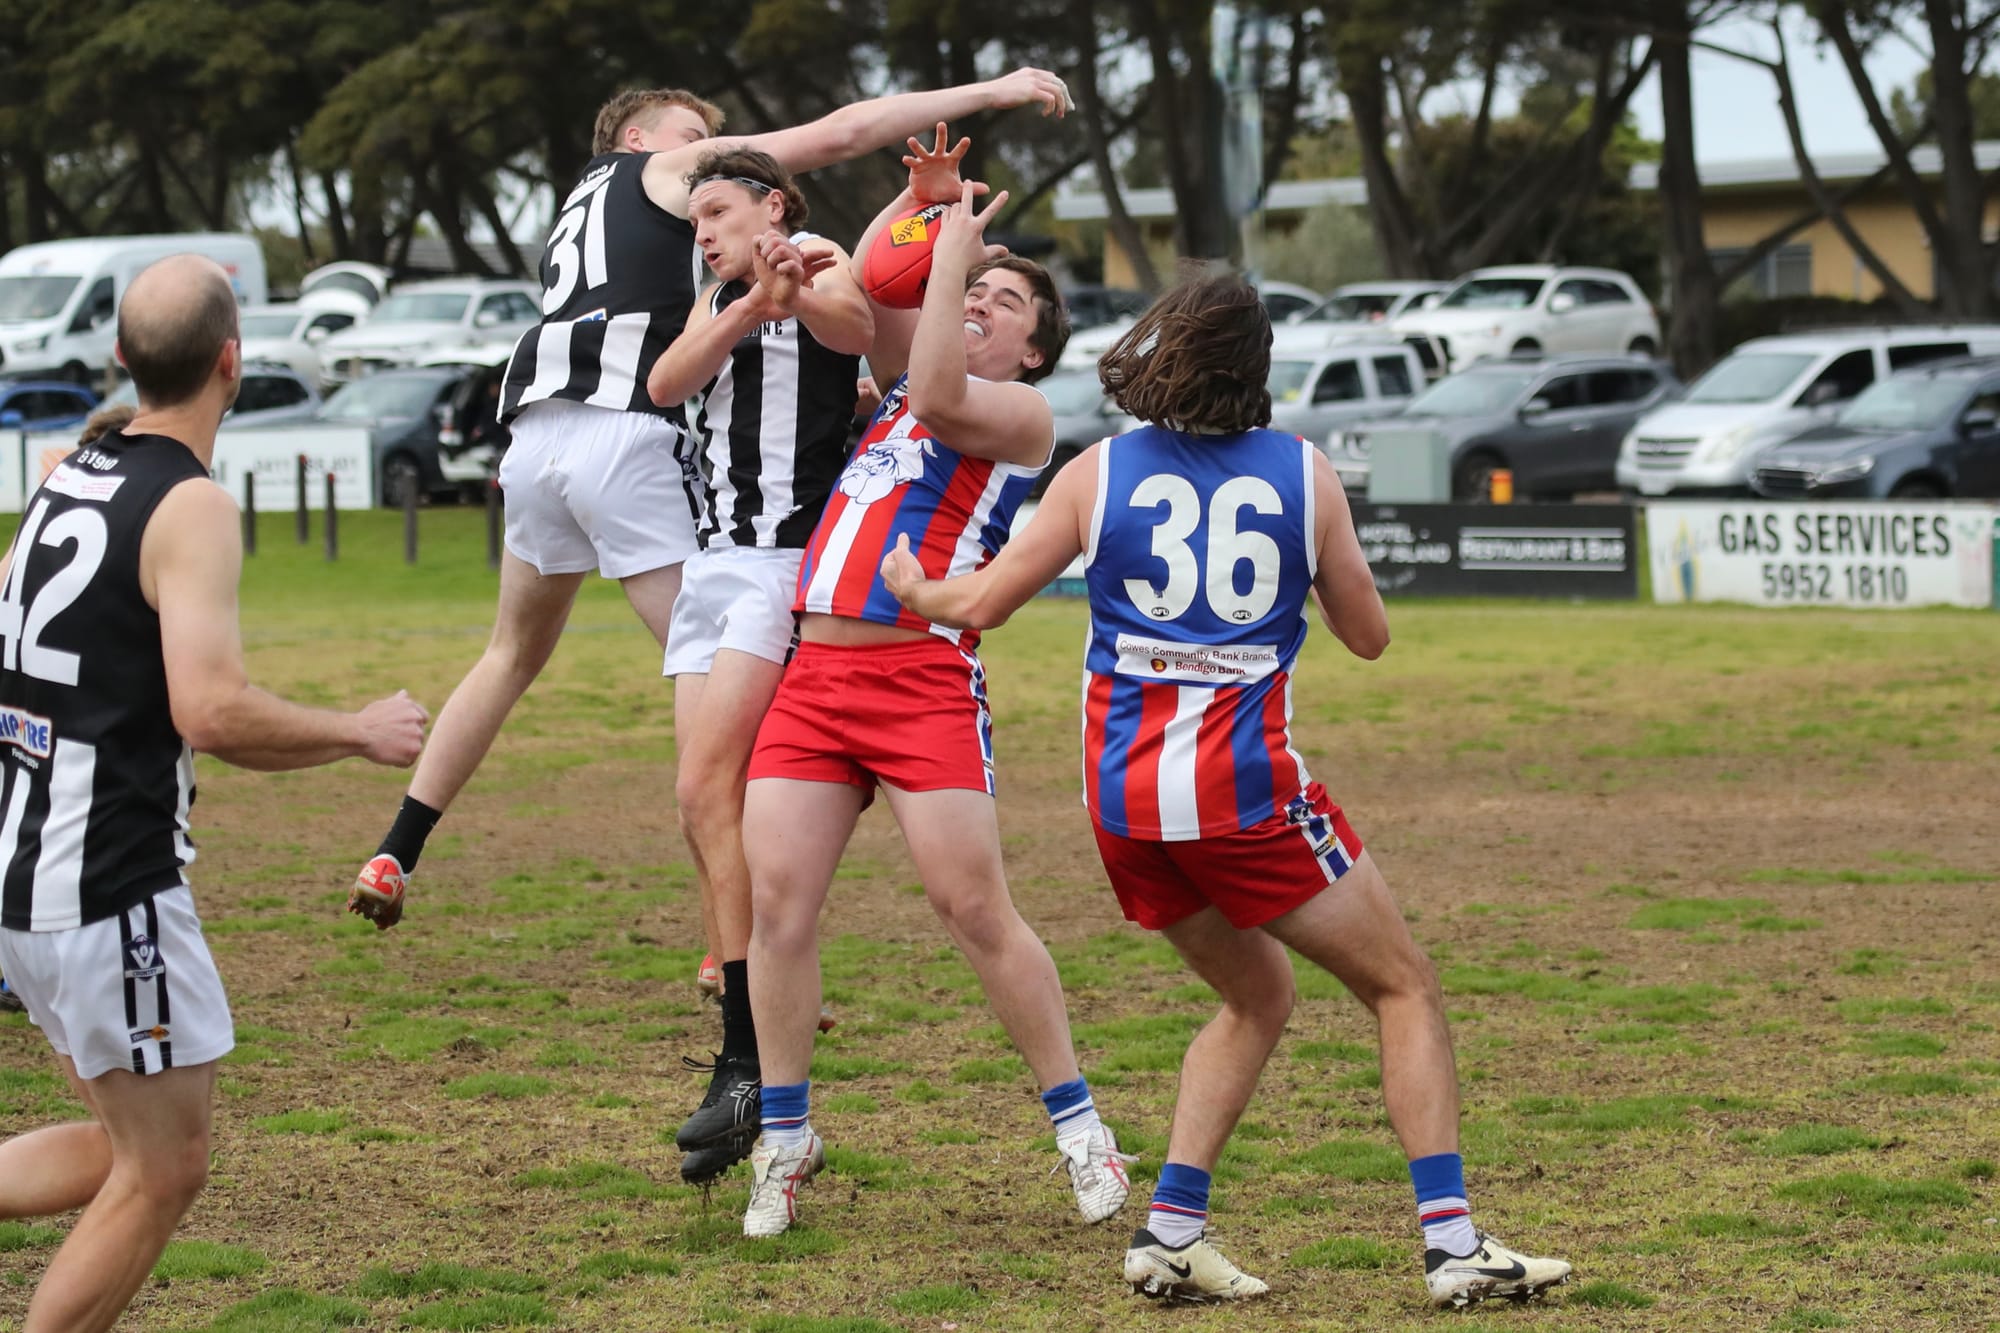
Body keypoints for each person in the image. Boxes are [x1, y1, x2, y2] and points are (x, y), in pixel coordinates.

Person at [880, 273, 1573, 1309]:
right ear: (1257, 367)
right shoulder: (1302, 472)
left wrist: (912, 586)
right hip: (1241, 795)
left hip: (1123, 808)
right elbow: (1369, 638)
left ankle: (1170, 1235)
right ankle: (1452, 1242)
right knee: (1403, 988)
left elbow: (977, 601)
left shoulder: (1098, 471)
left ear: (1159, 349)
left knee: (1257, 994)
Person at [347, 68, 1075, 935]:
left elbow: (853, 314)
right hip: (626, 434)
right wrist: (988, 92)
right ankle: (751, 904)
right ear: (639, 140)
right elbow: (844, 131)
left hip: (536, 436)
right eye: (694, 138)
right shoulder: (674, 182)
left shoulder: (586, 209)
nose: (709, 161)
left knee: (512, 655)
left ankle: (398, 844)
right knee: (749, 708)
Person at [0, 255, 428, 1333]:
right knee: (167, 1167)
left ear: (120, 357)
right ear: (233, 362)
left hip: (26, 876)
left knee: (127, 1146)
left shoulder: (69, 472)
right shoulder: (188, 503)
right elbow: (212, 711)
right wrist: (358, 731)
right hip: (106, 887)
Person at [735, 148, 1132, 1240]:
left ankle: (1080, 1128)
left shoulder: (1020, 414)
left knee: (971, 907)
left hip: (920, 675)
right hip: (815, 676)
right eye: (975, 288)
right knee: (778, 906)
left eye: (1006, 302)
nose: (979, 303)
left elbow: (945, 383)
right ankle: (783, 1136)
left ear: (1034, 347)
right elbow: (873, 281)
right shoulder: (909, 382)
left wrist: (956, 253)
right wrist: (918, 205)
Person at [642, 147, 873, 1182]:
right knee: (704, 811)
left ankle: (745, 1064)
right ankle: (759, 1058)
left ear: (772, 206)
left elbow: (855, 332)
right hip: (712, 568)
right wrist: (747, 305)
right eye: (695, 220)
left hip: (782, 566)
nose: (701, 232)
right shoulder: (718, 296)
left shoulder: (821, 257)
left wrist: (794, 290)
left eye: (716, 212)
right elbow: (665, 381)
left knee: (706, 789)